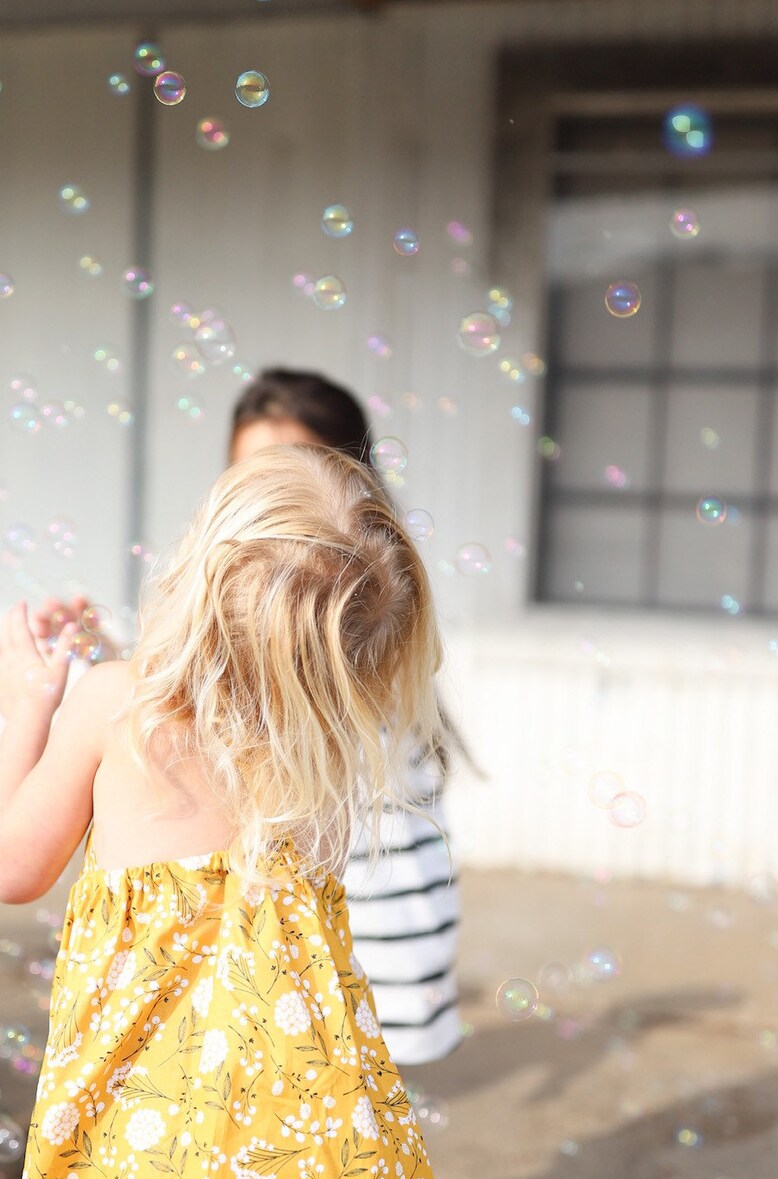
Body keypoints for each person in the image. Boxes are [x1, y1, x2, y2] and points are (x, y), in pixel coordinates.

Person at [0, 445, 459, 1179]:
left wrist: (26, 710)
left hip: (142, 1152)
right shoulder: (324, 741)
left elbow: (8, 864)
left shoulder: (110, 708)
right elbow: (224, 710)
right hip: (282, 1146)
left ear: (198, 566)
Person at [34, 367, 466, 1068]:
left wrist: (119, 684)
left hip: (380, 919)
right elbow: (221, 721)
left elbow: (247, 712)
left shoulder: (351, 606)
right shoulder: (345, 611)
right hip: (304, 928)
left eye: (292, 464)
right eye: (250, 468)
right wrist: (123, 666)